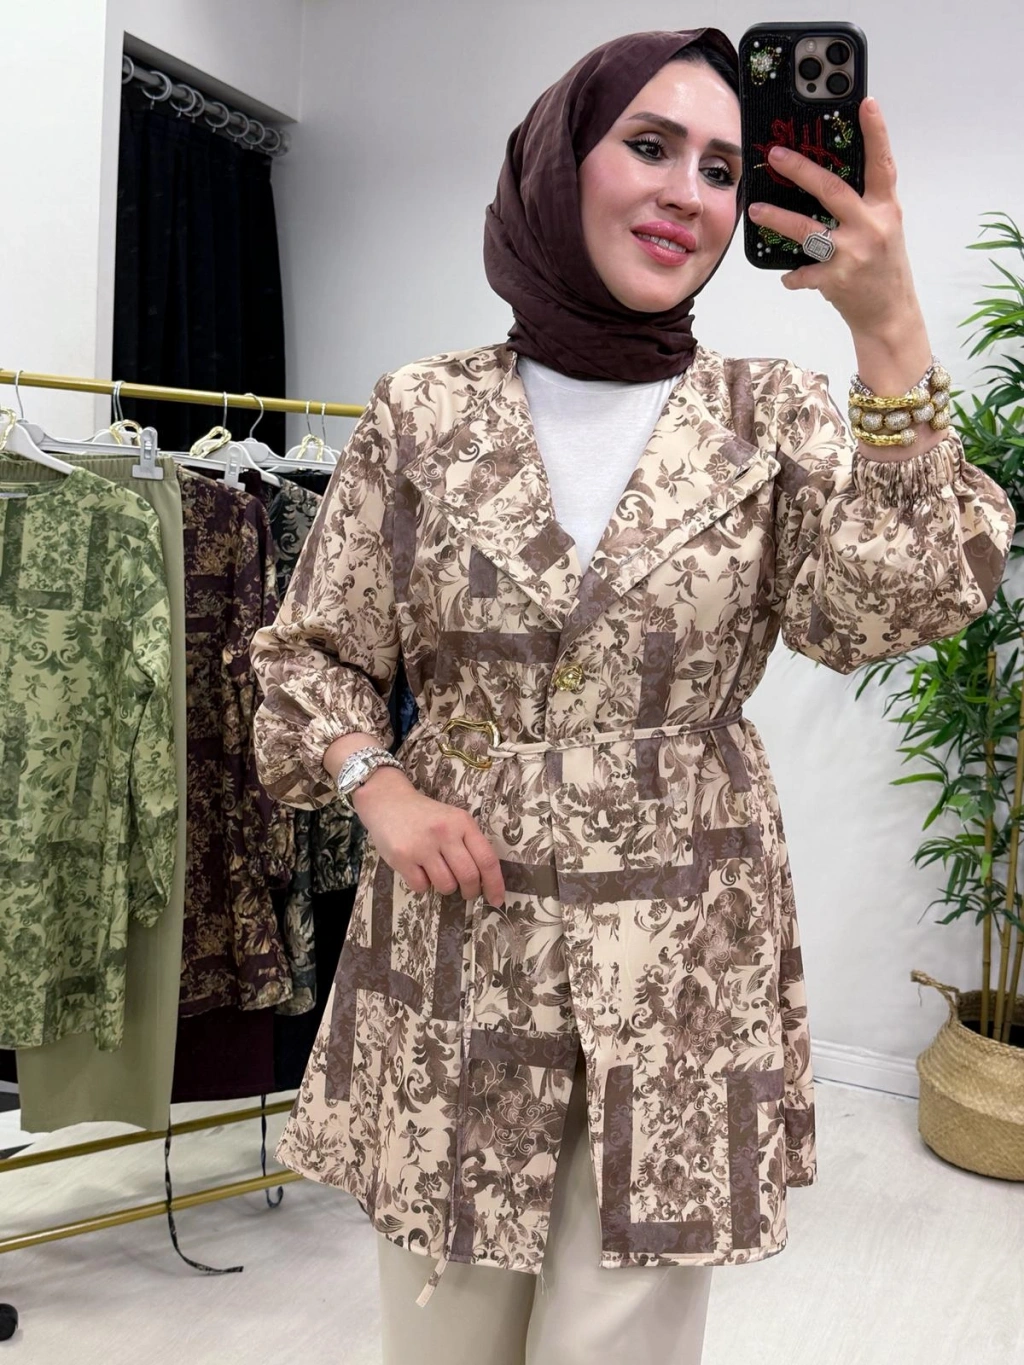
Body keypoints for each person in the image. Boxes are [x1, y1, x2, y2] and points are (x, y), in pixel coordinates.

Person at [250, 27, 1014, 1365]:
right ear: (558, 161)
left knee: (622, 1333)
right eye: (649, 145)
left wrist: (888, 331)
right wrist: (379, 788)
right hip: (462, 930)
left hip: (682, 948)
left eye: (721, 168)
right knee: (445, 1324)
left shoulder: (769, 415)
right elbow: (309, 653)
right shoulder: (423, 415)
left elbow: (881, 613)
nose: (685, 192)